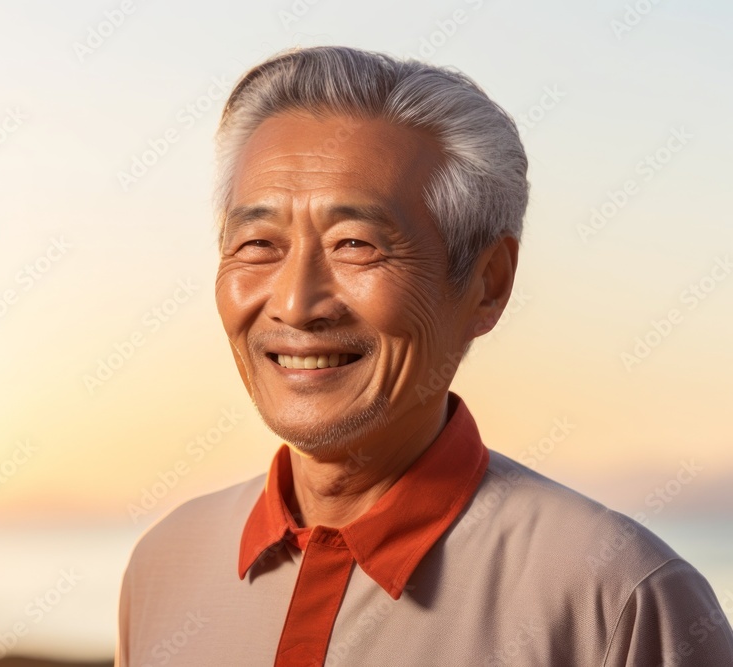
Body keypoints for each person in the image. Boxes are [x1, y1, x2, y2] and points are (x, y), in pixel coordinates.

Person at [114, 45, 733, 666]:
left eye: (354, 243)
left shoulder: (618, 598)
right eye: (258, 243)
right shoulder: (164, 565)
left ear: (487, 283)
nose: (297, 304)